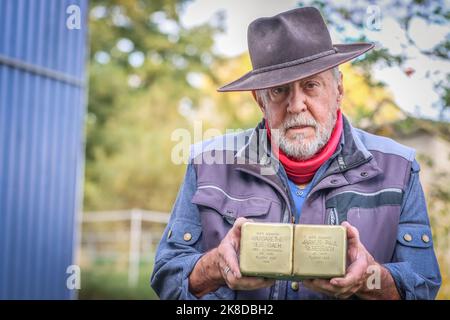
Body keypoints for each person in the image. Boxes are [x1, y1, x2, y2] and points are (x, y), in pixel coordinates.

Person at [151, 7, 441, 299]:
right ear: (260, 100)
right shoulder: (206, 164)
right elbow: (166, 280)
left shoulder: (399, 167)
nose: (296, 105)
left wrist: (370, 278)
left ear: (339, 89)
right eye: (279, 91)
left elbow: (423, 288)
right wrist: (213, 267)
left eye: (311, 85)